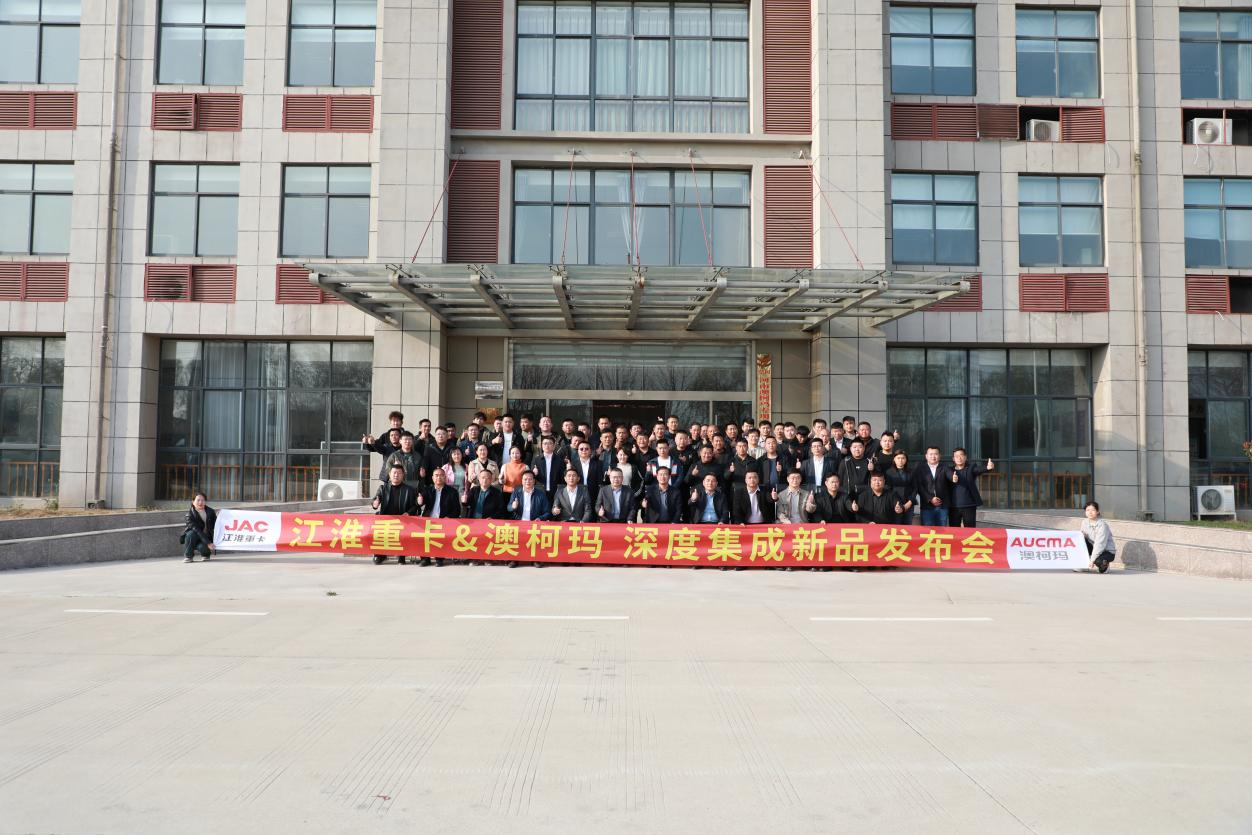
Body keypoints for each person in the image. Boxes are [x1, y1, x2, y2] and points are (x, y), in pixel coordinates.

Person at [372, 463, 418, 564]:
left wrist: (408, 513)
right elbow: (375, 501)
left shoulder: (409, 490)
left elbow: (415, 506)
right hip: (386, 520)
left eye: (399, 473)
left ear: (403, 475)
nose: (396, 475)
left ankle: (401, 555)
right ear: (389, 474)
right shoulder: (383, 488)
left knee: (404, 530)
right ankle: (379, 555)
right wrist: (375, 503)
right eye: (394, 473)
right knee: (378, 529)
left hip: (403, 520)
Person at [416, 467, 460, 565]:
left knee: (440, 535)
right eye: (436, 475)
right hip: (428, 521)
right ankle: (425, 559)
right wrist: (419, 501)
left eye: (441, 475)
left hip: (444, 521)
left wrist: (449, 517)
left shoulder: (452, 492)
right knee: (421, 534)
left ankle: (439, 558)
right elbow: (419, 503)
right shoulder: (428, 490)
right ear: (432, 478)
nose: (439, 477)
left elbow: (457, 510)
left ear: (445, 477)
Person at [948, 448, 994, 527]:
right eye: (956, 456)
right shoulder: (949, 470)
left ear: (965, 457)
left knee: (970, 530)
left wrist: (987, 468)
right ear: (953, 459)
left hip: (969, 505)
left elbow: (978, 470)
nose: (959, 458)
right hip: (953, 506)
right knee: (954, 530)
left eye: (961, 455)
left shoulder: (971, 468)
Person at [912, 446, 951, 527]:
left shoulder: (945, 467)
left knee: (942, 530)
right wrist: (930, 498)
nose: (933, 456)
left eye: (936, 454)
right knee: (927, 530)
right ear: (926, 456)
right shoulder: (920, 468)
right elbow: (919, 486)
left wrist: (954, 478)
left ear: (939, 456)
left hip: (942, 505)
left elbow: (950, 476)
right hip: (927, 505)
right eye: (931, 454)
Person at [1080, 501, 1117, 573]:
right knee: (1081, 539)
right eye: (1087, 510)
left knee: (1098, 562)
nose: (1090, 512)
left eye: (1093, 510)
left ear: (1097, 512)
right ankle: (1085, 564)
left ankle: (1105, 565)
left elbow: (1099, 544)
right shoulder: (1084, 522)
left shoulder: (1102, 525)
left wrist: (1092, 560)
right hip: (1093, 547)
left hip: (1106, 551)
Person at [181, 491, 217, 563]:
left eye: (202, 500)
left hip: (206, 536)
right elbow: (197, 530)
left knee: (202, 548)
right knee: (191, 534)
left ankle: (206, 555)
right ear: (193, 502)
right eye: (198, 500)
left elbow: (216, 525)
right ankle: (189, 556)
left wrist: (220, 517)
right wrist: (208, 543)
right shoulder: (189, 515)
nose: (200, 502)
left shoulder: (210, 511)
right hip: (193, 538)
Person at [531, 435, 567, 501]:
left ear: (554, 446)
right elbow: (532, 476)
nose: (547, 446)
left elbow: (562, 478)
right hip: (540, 491)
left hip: (556, 491)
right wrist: (534, 473)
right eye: (545, 443)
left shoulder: (559, 460)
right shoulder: (536, 459)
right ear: (541, 446)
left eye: (550, 443)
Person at [885, 450, 916, 524]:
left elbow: (915, 488)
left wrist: (910, 502)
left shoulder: (911, 472)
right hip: (895, 504)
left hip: (908, 503)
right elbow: (888, 489)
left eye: (903, 458)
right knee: (896, 526)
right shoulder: (889, 472)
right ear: (894, 459)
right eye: (898, 458)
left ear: (906, 460)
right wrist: (895, 503)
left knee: (907, 526)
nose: (900, 460)